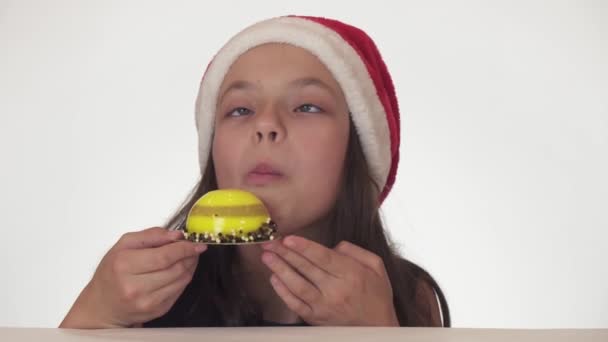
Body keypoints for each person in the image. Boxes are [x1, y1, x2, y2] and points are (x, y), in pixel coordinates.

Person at [59, 15, 450, 329]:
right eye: (240, 110)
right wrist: (95, 314)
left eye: (307, 107)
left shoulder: (405, 296)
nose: (266, 126)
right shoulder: (139, 296)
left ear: (359, 147)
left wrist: (377, 333)